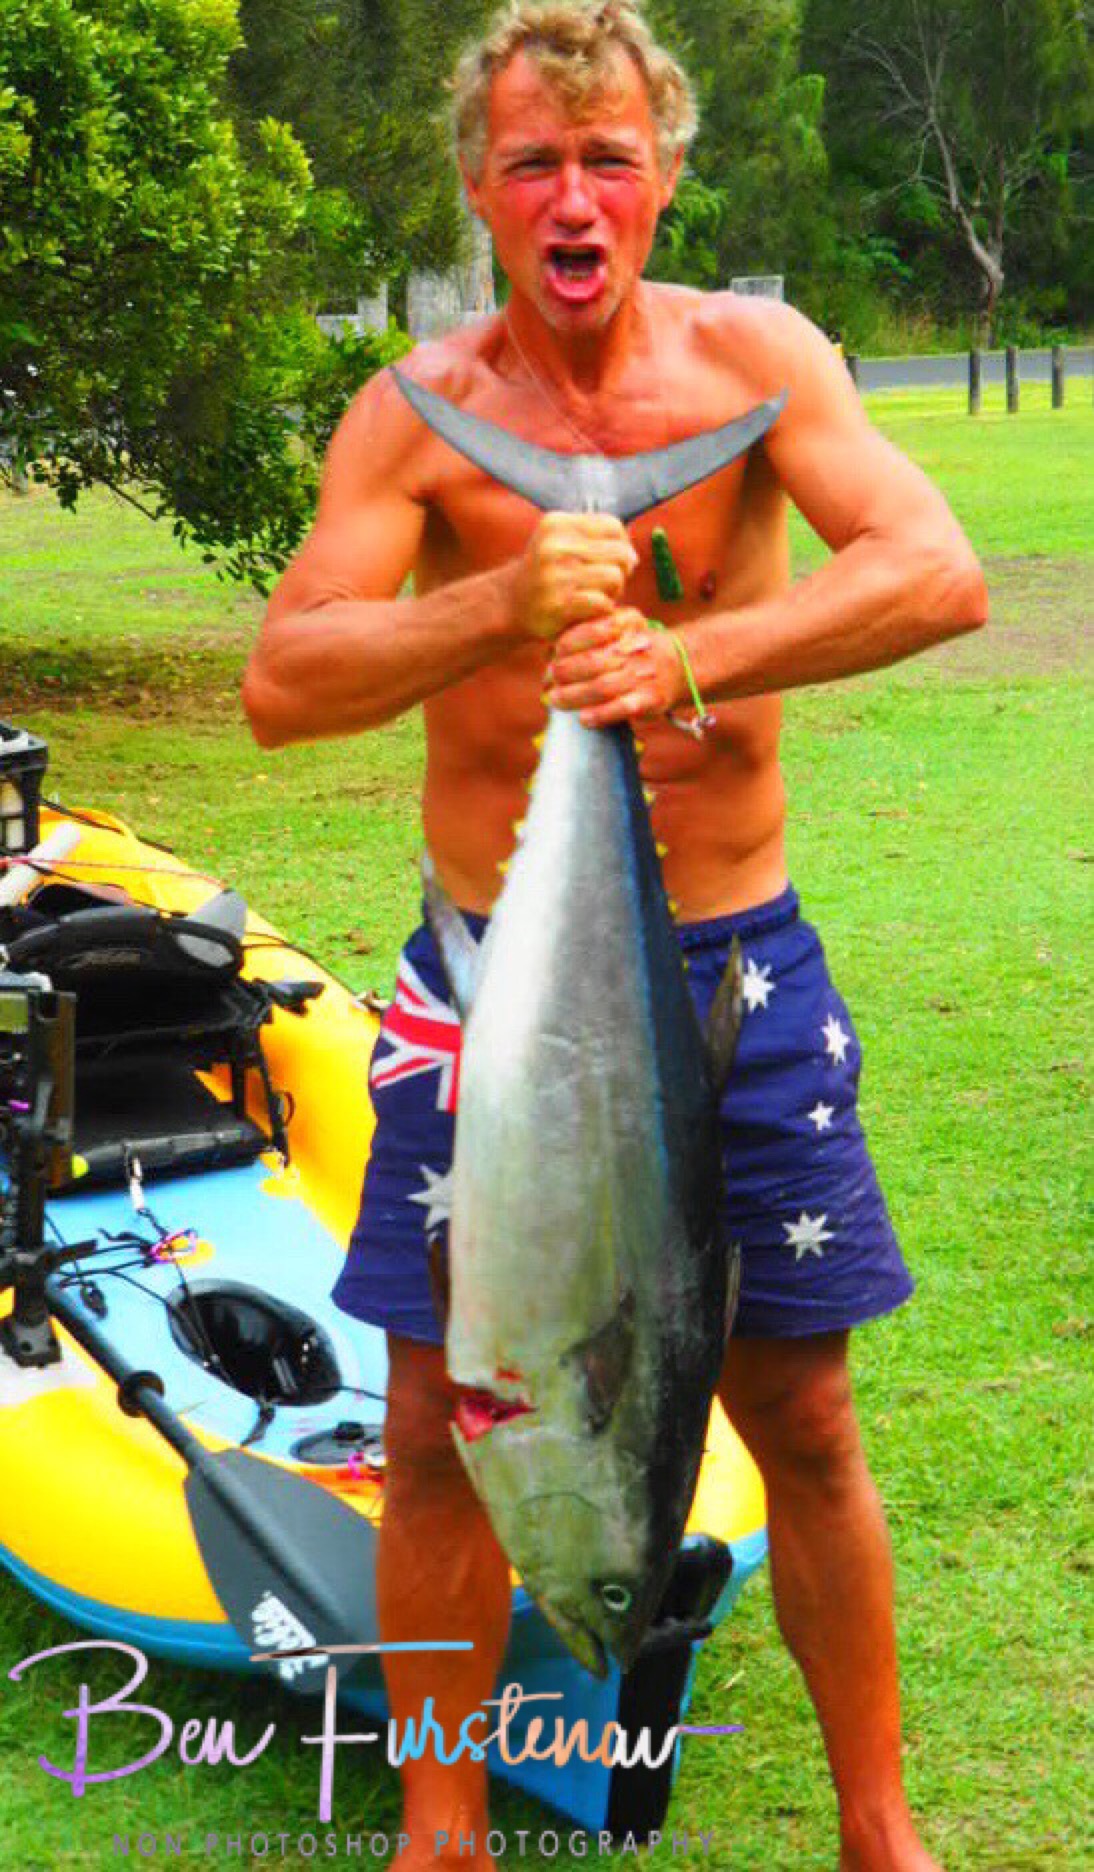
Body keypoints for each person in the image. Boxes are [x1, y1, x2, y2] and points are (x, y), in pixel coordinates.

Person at [243, 5, 987, 1865]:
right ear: (480, 189)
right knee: (437, 1416)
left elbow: (934, 572)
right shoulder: (412, 413)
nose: (570, 198)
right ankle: (438, 1828)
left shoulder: (761, 362)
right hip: (485, 984)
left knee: (801, 1414)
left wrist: (686, 656)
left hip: (731, 969)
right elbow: (282, 683)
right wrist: (498, 603)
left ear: (659, 179)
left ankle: (879, 1827)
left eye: (605, 160)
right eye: (531, 163)